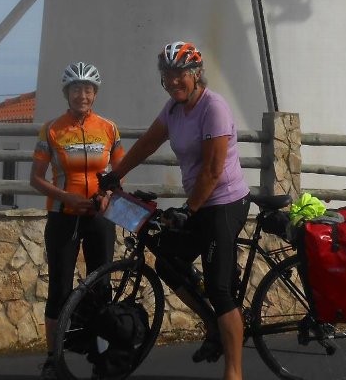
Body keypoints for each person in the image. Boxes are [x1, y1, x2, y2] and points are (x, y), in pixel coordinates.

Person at [100, 41, 250, 380]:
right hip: (197, 204)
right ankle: (213, 325)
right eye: (167, 75)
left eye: (179, 74)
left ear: (195, 74)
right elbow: (147, 144)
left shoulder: (214, 107)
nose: (172, 81)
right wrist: (114, 175)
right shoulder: (172, 110)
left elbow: (212, 170)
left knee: (220, 289)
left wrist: (188, 210)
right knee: (167, 258)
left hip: (225, 202)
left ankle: (234, 372)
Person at [30, 61, 124, 380]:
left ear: (94, 94)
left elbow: (118, 174)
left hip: (99, 216)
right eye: (75, 90)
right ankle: (53, 359)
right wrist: (65, 196)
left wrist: (109, 196)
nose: (81, 95)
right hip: (63, 216)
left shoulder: (109, 128)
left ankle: (102, 357)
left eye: (87, 90)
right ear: (66, 93)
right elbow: (35, 178)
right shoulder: (52, 129)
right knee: (59, 289)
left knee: (102, 288)